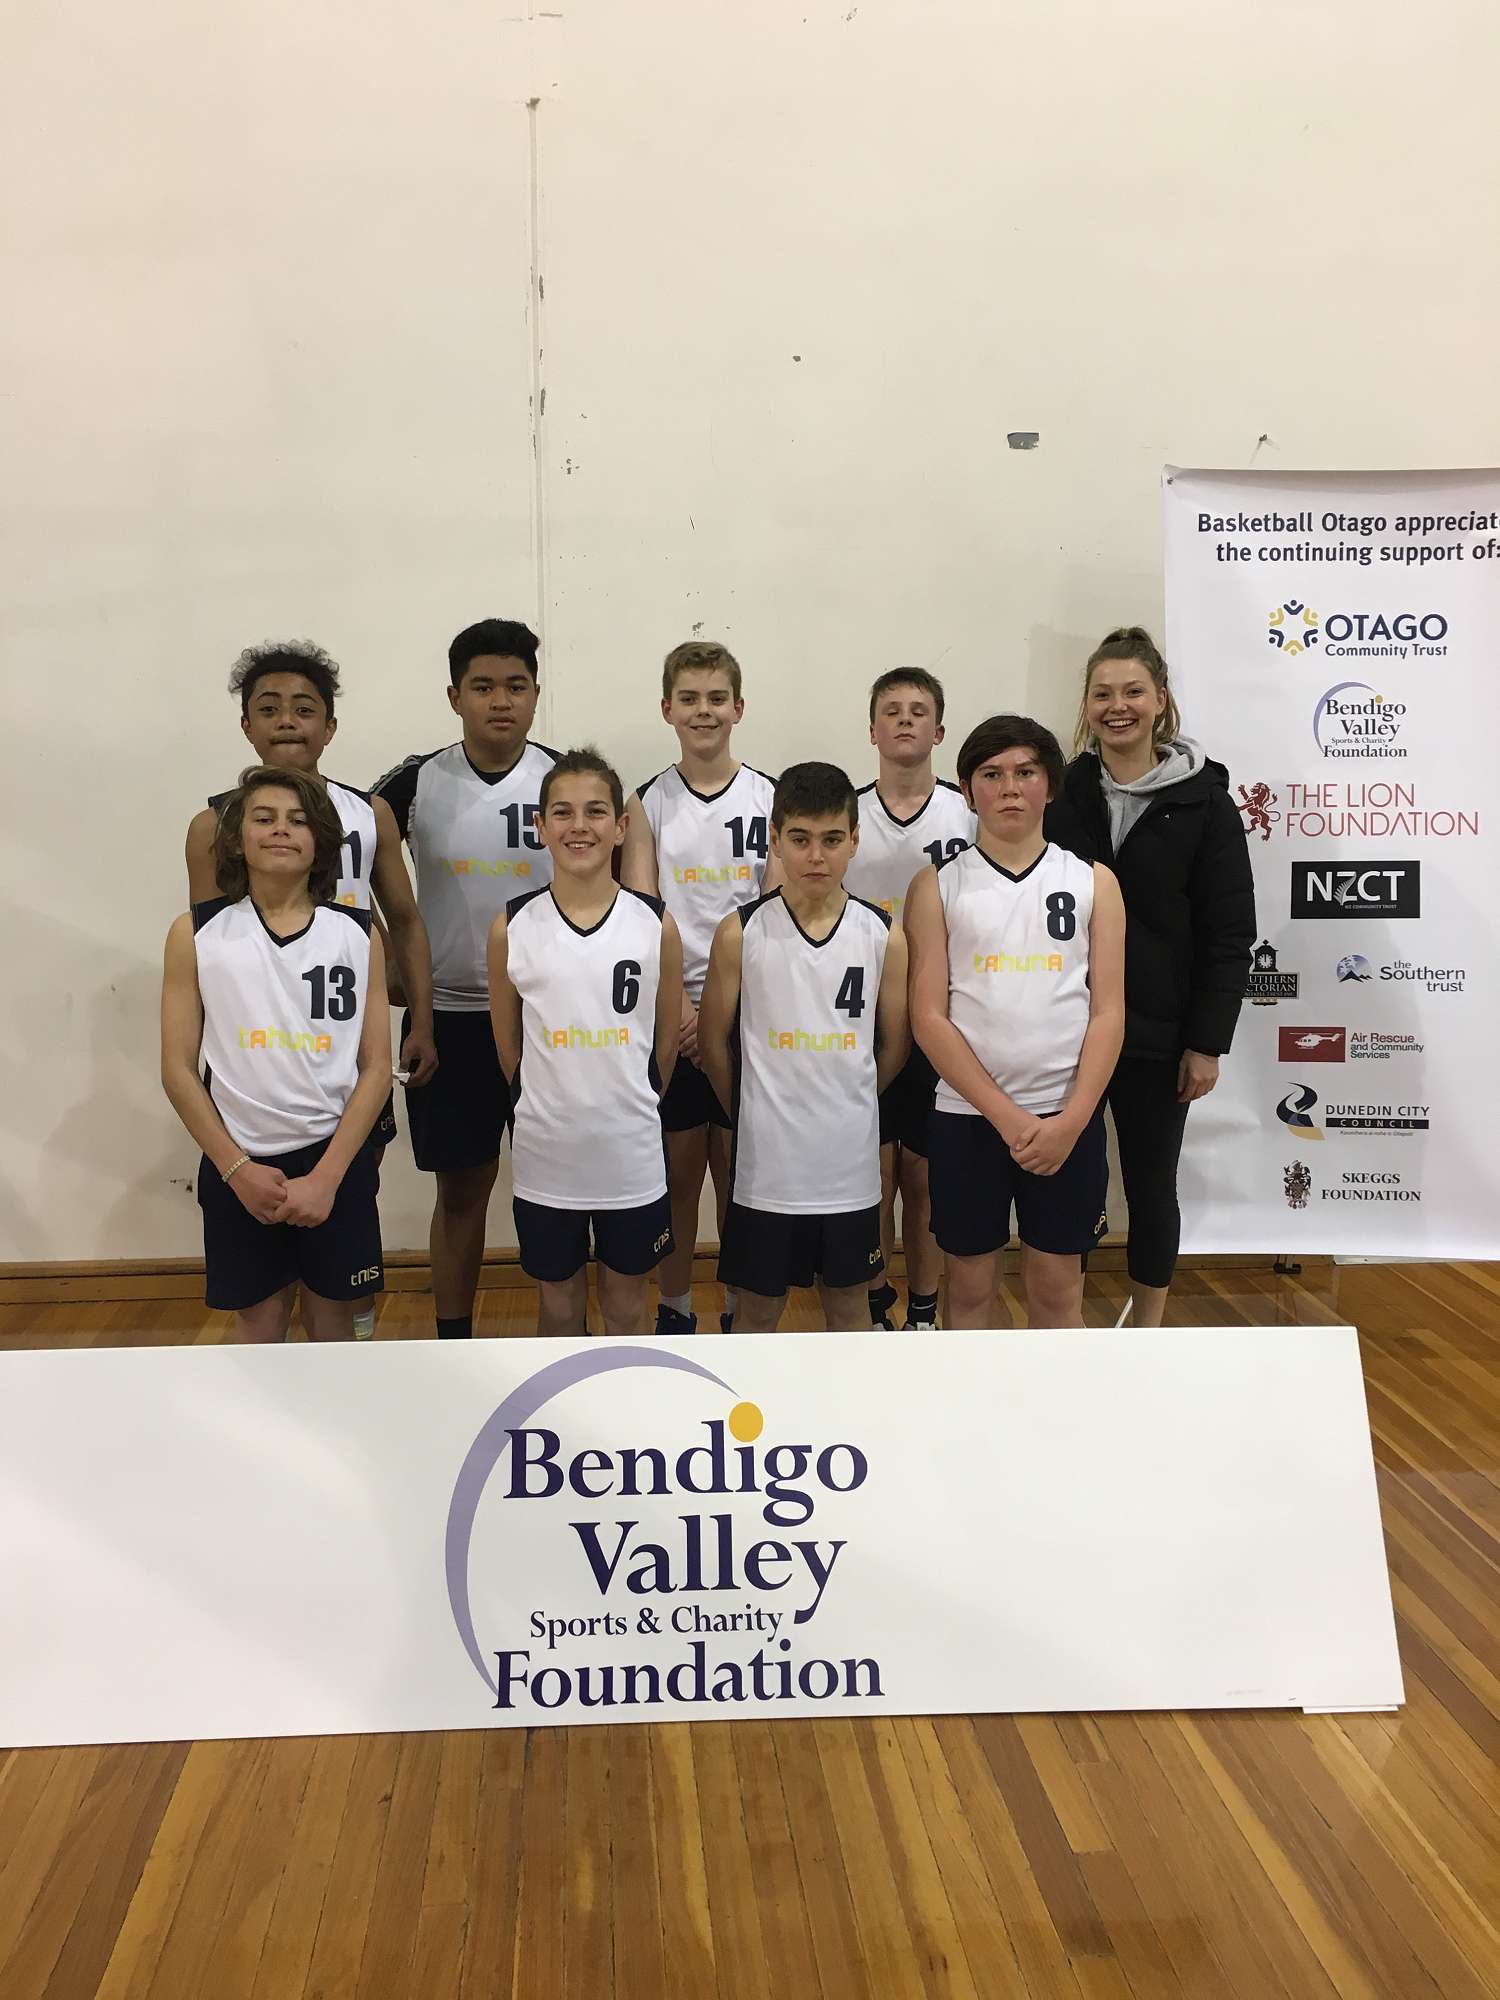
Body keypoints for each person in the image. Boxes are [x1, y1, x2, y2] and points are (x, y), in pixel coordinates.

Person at [185, 639, 437, 1338]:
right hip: (260, 1053)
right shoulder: (211, 825)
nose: (287, 721)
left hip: (345, 1035)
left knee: (349, 1183)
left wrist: (422, 1019)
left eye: (304, 708)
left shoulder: (369, 814)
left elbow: (404, 918)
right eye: (269, 709)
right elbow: (210, 950)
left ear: (330, 726)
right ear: (246, 726)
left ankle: (348, 1316)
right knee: (263, 1256)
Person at [1044, 628, 1255, 1326]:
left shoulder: (1207, 804)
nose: (1118, 706)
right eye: (1102, 693)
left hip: (1158, 1038)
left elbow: (1229, 935)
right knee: (1069, 1186)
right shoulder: (1061, 794)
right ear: (1086, 704)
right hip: (1065, 1032)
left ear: (1160, 700)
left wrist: (1207, 1043)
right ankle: (1065, 1322)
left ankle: (1148, 1332)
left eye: (1133, 691)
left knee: (1151, 1186)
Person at [906, 716, 1124, 1330]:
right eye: (991, 774)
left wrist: (1072, 1120)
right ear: (966, 789)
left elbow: (1109, 1011)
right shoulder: (936, 886)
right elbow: (929, 1016)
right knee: (970, 1289)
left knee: (1057, 1291)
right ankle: (967, 1398)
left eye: (1025, 772)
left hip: (1064, 1119)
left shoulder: (1094, 882)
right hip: (968, 1119)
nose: (1009, 788)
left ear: (1049, 786)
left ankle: (1057, 1400)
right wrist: (1007, 1117)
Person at [374, 619, 558, 1338]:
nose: (500, 701)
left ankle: (563, 1339)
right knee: (460, 1194)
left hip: (550, 1019)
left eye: (516, 686)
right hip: (449, 1020)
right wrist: (395, 968)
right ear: (455, 696)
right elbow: (339, 874)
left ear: (536, 694)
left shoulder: (568, 781)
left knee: (565, 1192)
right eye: (483, 687)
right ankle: (452, 1342)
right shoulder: (412, 782)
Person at [161, 767, 391, 1342]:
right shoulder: (196, 933)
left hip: (333, 1157)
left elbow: (376, 1068)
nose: (281, 830)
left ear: (322, 841)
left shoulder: (359, 934)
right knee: (259, 1323)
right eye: (264, 819)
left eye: (298, 820)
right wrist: (236, 1170)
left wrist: (328, 1177)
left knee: (332, 1320)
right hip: (241, 1158)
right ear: (237, 838)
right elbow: (177, 1070)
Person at [698, 762, 909, 1333]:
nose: (817, 856)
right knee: (757, 1312)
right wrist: (749, 1109)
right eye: (800, 839)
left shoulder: (884, 935)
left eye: (832, 840)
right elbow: (714, 1045)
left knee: (850, 1307)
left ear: (855, 841)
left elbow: (893, 1047)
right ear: (774, 839)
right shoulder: (740, 932)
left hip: (849, 1169)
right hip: (767, 1171)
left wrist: (850, 1098)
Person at [488, 750, 684, 1335]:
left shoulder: (655, 924)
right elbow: (509, 1050)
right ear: (540, 825)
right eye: (563, 812)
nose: (580, 826)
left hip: (630, 1154)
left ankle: (627, 1399)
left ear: (620, 827)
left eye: (596, 811)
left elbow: (665, 1045)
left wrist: (634, 1100)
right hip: (548, 1156)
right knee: (557, 1306)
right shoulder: (511, 927)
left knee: (626, 1305)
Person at [620, 641, 778, 1336]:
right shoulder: (646, 802)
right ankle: (676, 1307)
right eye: (689, 698)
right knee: (680, 1174)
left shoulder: (771, 797)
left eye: (716, 698)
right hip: (673, 1014)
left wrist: (717, 1011)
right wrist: (682, 1009)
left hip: (746, 1011)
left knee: (742, 1173)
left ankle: (739, 1308)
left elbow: (772, 916)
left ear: (739, 707)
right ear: (667, 709)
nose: (703, 711)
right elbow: (643, 912)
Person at [844, 667, 975, 1330]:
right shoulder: (845, 814)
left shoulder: (968, 812)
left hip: (942, 1014)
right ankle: (874, 1303)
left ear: (939, 731)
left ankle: (924, 1307)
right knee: (870, 1174)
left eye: (918, 710)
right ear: (871, 730)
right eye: (890, 710)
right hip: (857, 1014)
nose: (903, 719)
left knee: (924, 1175)